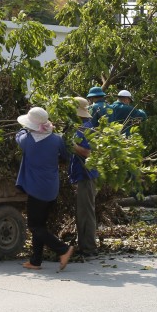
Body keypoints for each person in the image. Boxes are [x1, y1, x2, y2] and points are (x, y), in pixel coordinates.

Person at [15, 106, 75, 271]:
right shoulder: (57, 139)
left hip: (36, 189)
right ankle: (36, 261)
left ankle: (63, 249)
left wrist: (26, 130)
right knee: (40, 225)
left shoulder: (27, 140)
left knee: (34, 226)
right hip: (51, 188)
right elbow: (65, 155)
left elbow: (18, 136)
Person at [70, 97, 99, 258]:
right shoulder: (80, 127)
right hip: (82, 174)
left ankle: (89, 248)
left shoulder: (87, 129)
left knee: (86, 213)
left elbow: (88, 153)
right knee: (82, 212)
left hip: (87, 175)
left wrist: (72, 146)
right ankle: (84, 246)